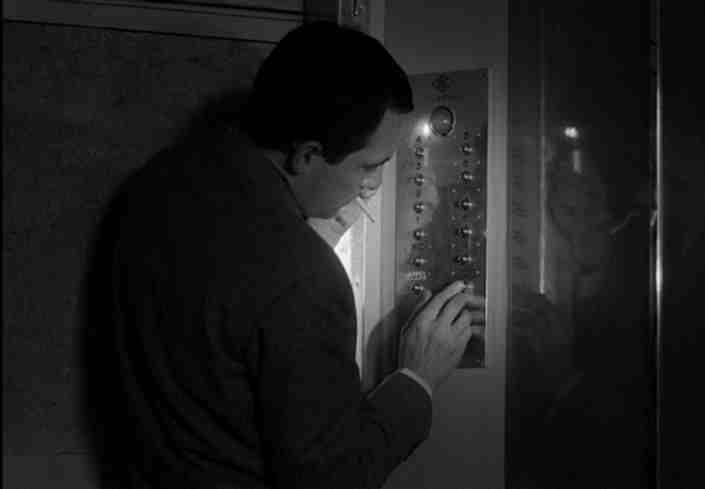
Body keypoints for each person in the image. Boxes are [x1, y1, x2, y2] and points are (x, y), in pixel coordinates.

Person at [106, 21, 484, 489]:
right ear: (306, 156)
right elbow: (333, 477)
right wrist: (416, 379)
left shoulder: (157, 181)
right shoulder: (303, 277)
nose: (374, 185)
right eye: (368, 167)